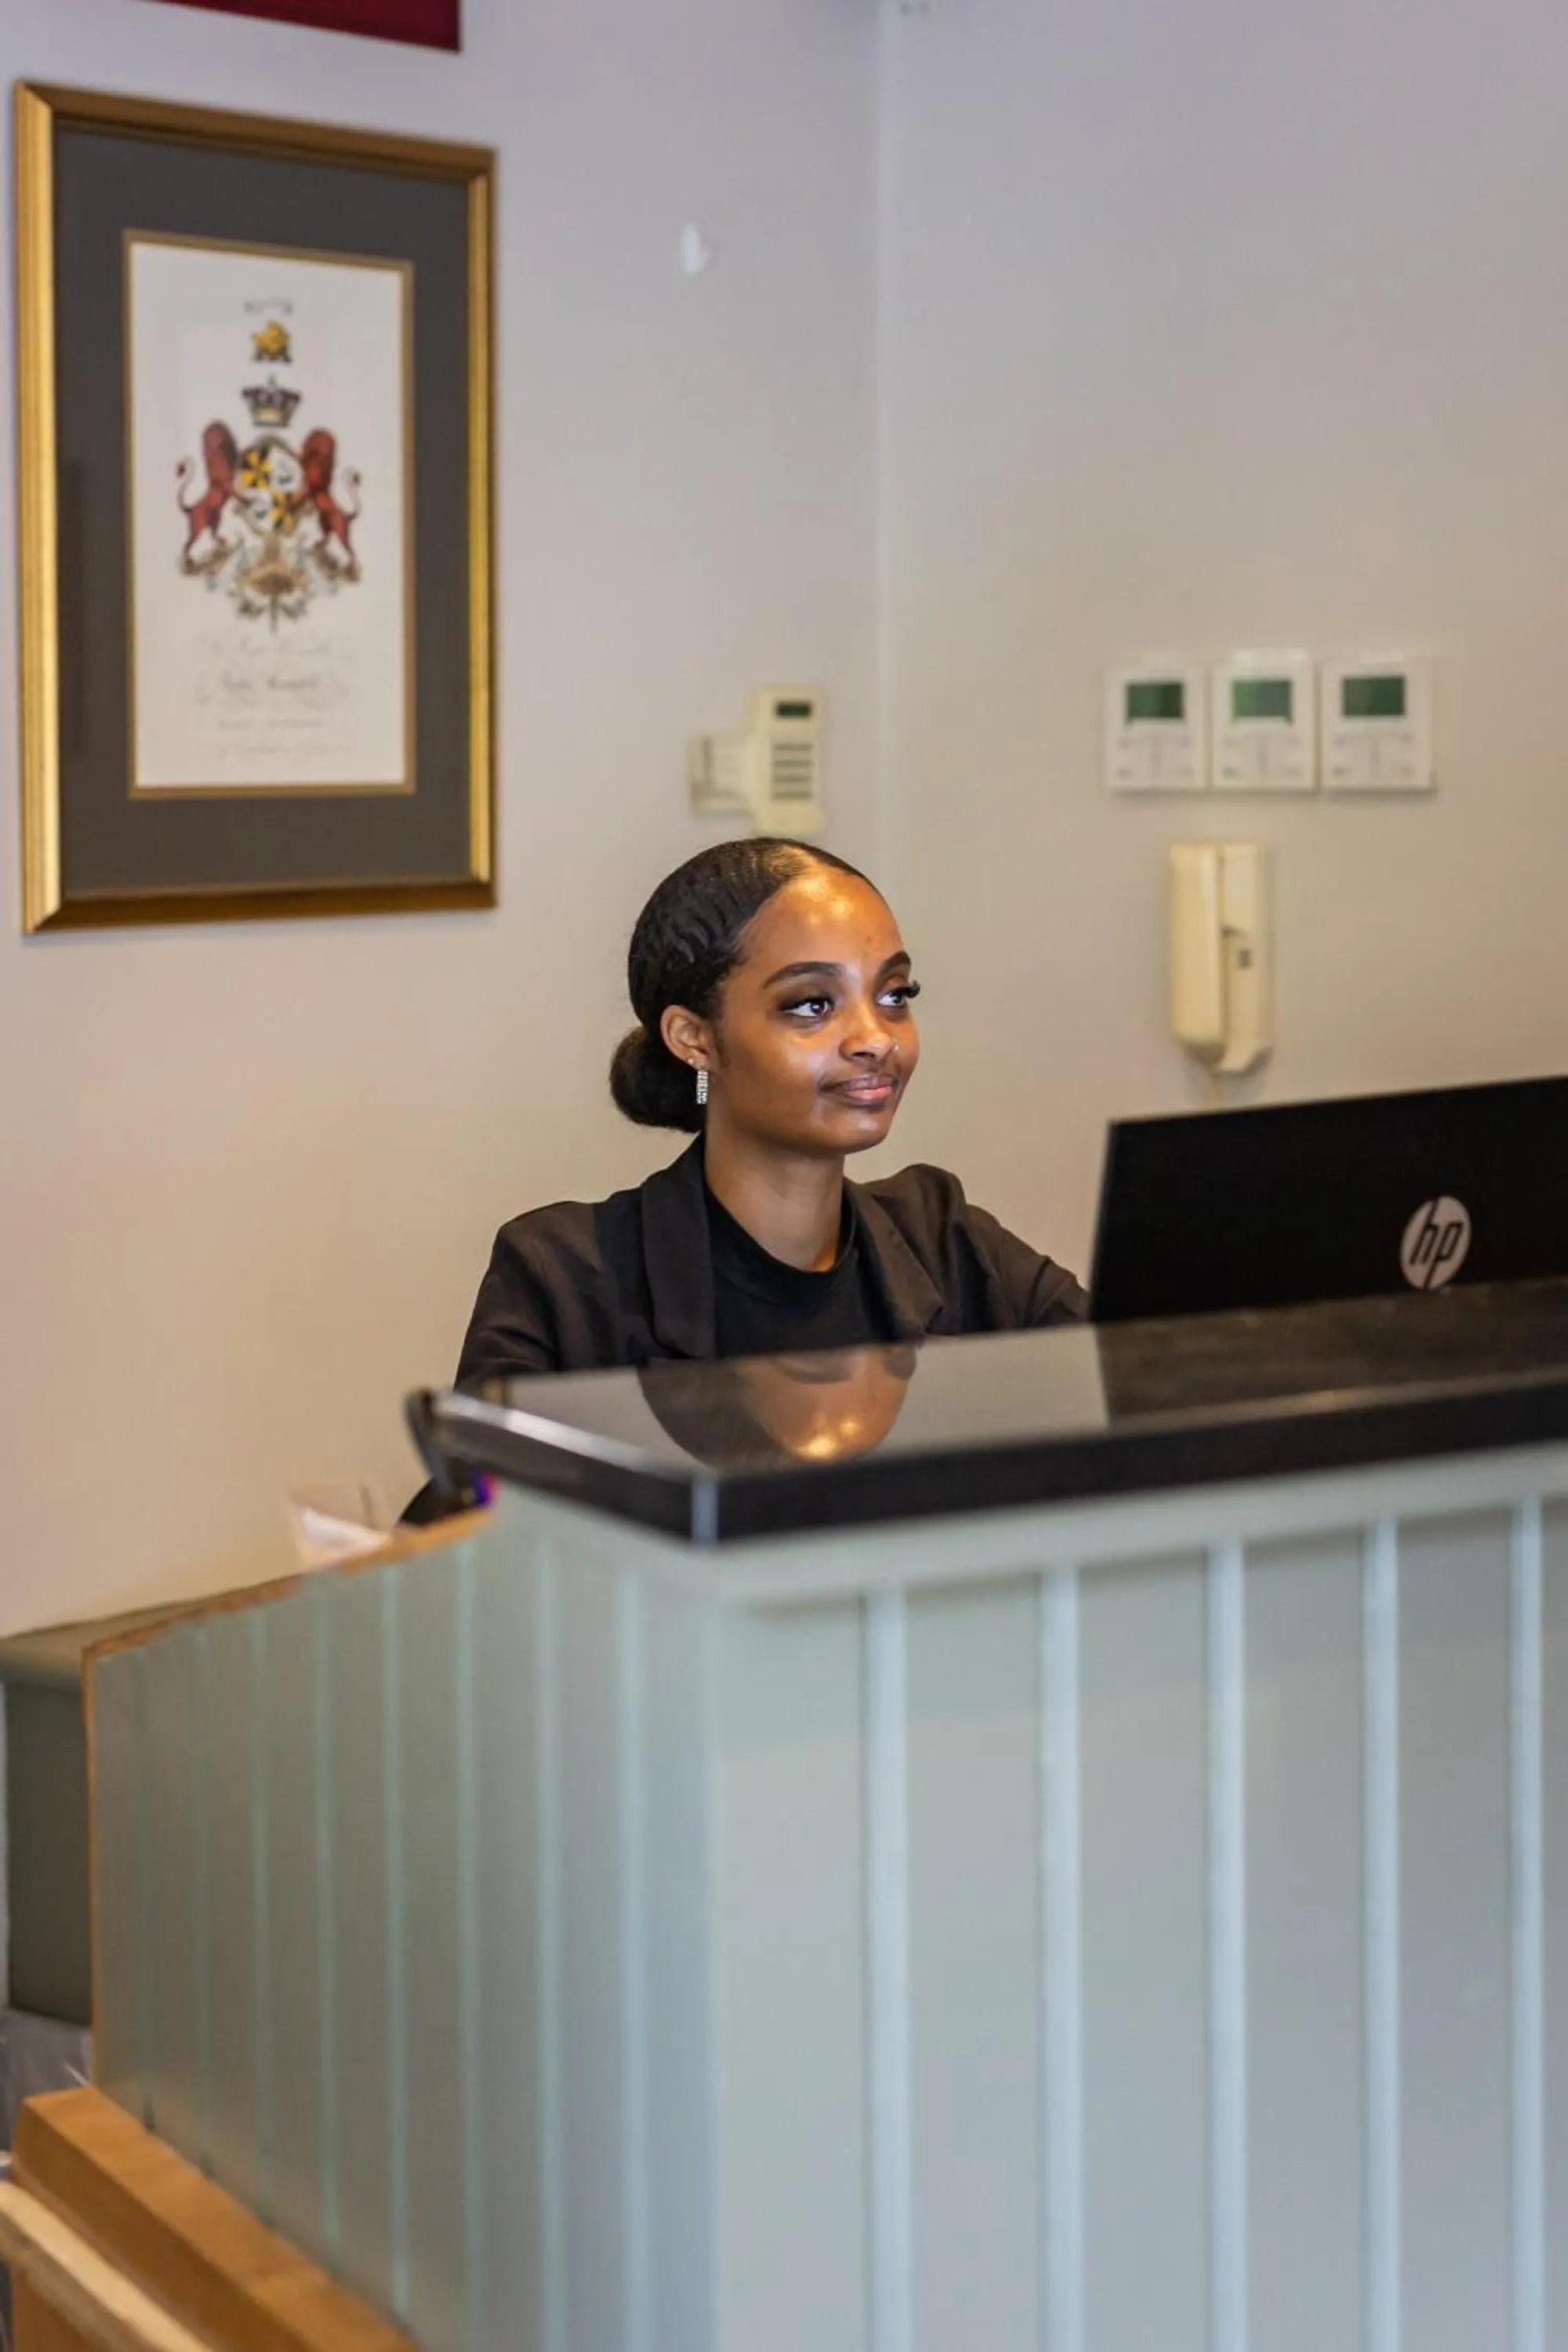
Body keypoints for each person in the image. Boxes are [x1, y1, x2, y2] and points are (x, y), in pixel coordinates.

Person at [456, 837, 1085, 1385]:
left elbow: (1142, 1383)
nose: (876, 1037)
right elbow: (478, 1508)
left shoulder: (947, 1238)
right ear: (694, 1039)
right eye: (812, 1004)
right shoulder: (564, 1277)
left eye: (894, 994)